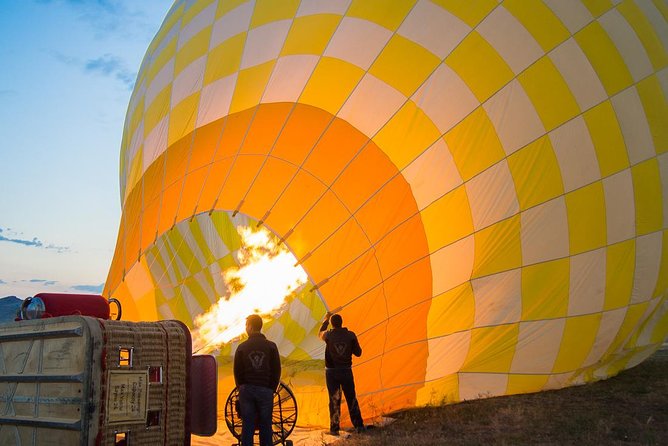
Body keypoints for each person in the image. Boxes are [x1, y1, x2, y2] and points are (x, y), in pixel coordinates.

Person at [234, 314, 281, 446]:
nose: (245, 328)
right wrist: (272, 388)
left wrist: (241, 387)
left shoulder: (242, 347)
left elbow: (237, 371)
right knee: (265, 425)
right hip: (265, 390)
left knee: (247, 425)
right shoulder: (271, 346)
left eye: (246, 325)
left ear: (250, 326)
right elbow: (276, 369)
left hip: (247, 391)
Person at [319, 312, 365, 435]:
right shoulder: (350, 335)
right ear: (342, 323)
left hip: (332, 373)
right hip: (346, 371)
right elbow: (358, 353)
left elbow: (320, 333)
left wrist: (325, 320)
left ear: (332, 324)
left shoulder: (328, 335)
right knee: (351, 398)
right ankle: (359, 426)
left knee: (334, 400)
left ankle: (334, 429)